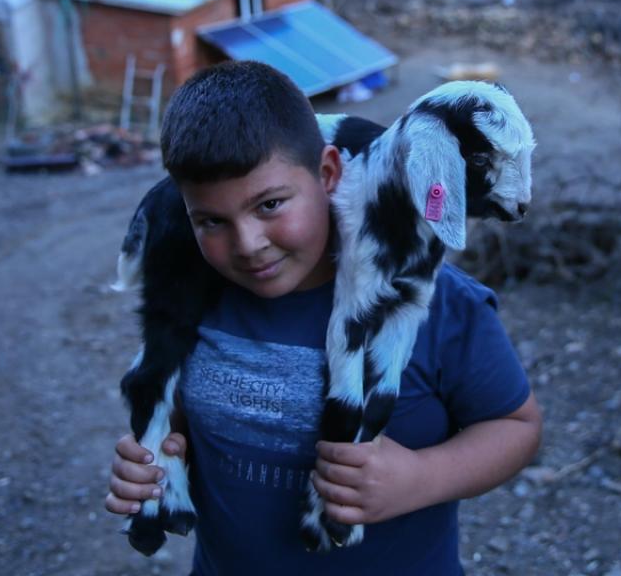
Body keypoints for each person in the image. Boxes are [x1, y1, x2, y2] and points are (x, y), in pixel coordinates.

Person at [104, 61, 541, 574]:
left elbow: (516, 426)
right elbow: (186, 414)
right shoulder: (201, 296)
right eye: (212, 221)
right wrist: (156, 457)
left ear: (328, 173)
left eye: (270, 204)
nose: (247, 245)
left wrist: (422, 476)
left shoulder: (439, 306)